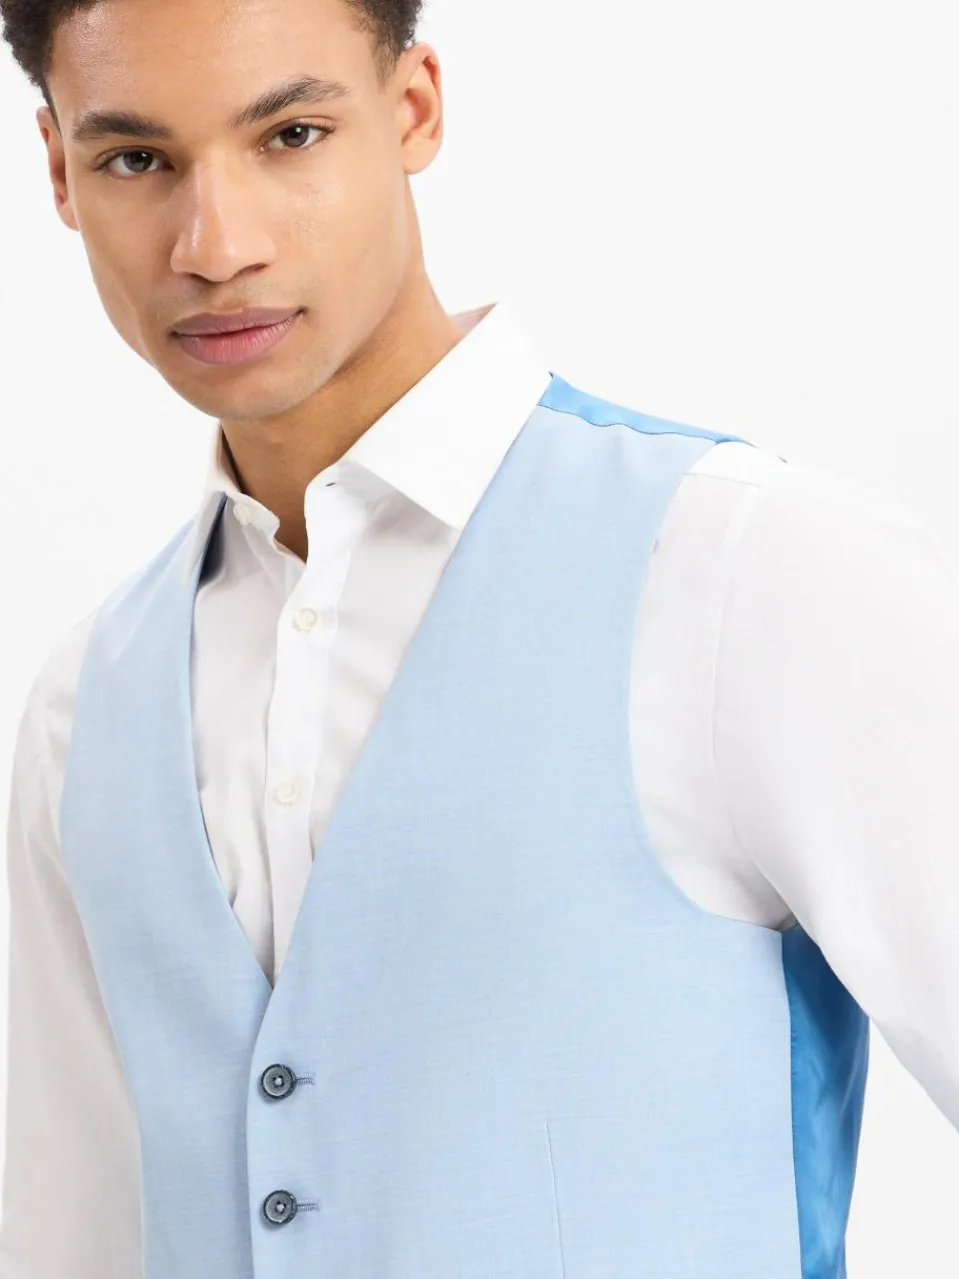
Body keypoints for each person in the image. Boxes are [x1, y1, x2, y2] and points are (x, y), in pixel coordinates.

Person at [1, 0, 957, 1275]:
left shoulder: (738, 568)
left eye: (289, 134)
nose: (215, 245)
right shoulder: (84, 711)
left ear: (412, 109)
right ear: (60, 171)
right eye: (136, 158)